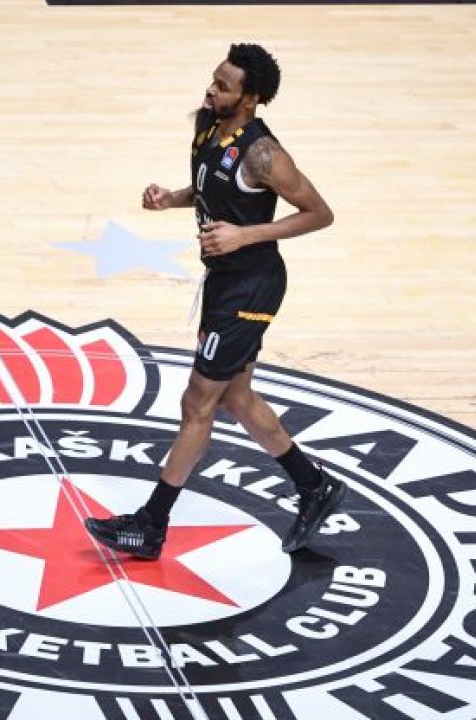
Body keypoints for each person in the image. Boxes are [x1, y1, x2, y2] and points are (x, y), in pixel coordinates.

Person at [84, 43, 347, 559]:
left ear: (250, 99)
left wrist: (245, 235)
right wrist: (172, 198)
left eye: (223, 86)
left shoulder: (264, 154)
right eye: (213, 79)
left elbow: (320, 213)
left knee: (197, 402)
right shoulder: (208, 125)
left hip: (251, 286)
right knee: (237, 398)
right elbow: (212, 185)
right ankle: (314, 486)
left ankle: (151, 525)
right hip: (225, 282)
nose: (210, 90)